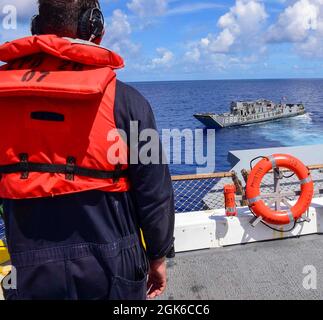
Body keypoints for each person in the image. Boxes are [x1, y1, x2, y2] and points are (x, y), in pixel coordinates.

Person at [0, 0, 175, 300]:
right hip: (113, 266)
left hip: (30, 268)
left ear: (36, 27)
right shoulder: (128, 103)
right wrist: (158, 257)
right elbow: (155, 193)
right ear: (94, 25)